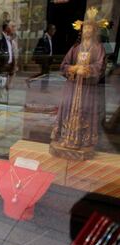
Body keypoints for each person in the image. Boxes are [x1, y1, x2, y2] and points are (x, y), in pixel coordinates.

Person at [50, 7, 107, 160]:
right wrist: (74, 68)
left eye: (90, 28)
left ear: (94, 31)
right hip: (73, 87)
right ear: (82, 30)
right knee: (69, 110)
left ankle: (83, 141)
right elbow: (64, 65)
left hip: (87, 88)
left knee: (84, 111)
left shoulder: (98, 48)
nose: (87, 30)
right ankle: (65, 138)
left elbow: (101, 66)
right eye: (86, 27)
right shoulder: (75, 48)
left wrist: (88, 70)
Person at [0, 20, 18, 90]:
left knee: (3, 91)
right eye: (12, 26)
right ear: (7, 28)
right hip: (0, 71)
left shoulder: (9, 39)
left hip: (7, 70)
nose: (14, 28)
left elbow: (10, 52)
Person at [27, 24, 56, 89]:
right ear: (49, 30)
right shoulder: (44, 38)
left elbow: (49, 49)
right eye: (53, 29)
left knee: (45, 74)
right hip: (44, 59)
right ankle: (41, 87)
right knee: (44, 74)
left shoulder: (49, 38)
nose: (54, 31)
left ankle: (32, 81)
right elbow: (43, 50)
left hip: (48, 59)